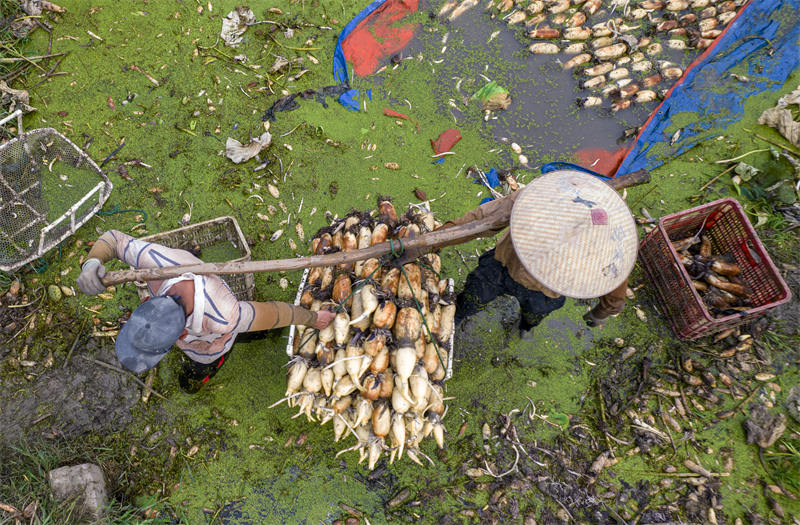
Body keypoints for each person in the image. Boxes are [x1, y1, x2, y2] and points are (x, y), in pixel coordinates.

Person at [77, 230, 335, 393]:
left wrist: (313, 319)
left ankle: (205, 375)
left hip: (212, 346)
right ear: (145, 307)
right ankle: (254, 336)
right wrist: (92, 263)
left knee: (204, 366)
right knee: (246, 328)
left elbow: (275, 313)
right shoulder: (156, 265)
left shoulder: (224, 316)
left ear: (180, 336)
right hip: (221, 322)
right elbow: (114, 239)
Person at [435, 169, 638, 334]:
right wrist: (436, 240)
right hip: (504, 264)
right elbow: (479, 221)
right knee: (473, 297)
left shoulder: (610, 241)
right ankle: (458, 315)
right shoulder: (536, 198)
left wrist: (600, 313)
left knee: (532, 316)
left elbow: (615, 279)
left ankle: (525, 327)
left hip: (545, 292)